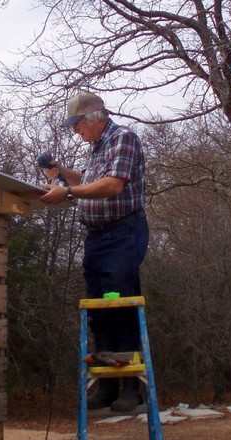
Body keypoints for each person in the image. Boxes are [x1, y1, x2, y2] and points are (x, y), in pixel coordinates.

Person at [40, 91, 148, 412]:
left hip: (123, 232)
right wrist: (61, 173)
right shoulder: (97, 148)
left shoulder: (123, 139)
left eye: (77, 125)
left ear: (94, 119)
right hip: (97, 238)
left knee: (120, 303)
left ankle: (132, 386)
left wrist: (68, 192)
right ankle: (107, 385)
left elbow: (112, 184)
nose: (76, 131)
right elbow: (87, 181)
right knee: (99, 309)